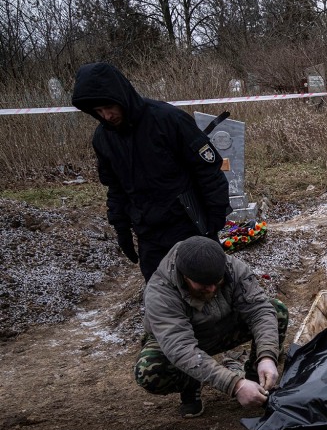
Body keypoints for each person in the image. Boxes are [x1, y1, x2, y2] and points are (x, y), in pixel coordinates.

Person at [71, 62, 230, 281]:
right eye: (98, 111)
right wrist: (122, 229)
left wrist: (216, 217)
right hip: (149, 232)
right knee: (160, 298)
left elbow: (208, 170)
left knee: (205, 289)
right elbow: (116, 188)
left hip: (189, 224)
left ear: (121, 97)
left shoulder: (168, 120)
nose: (106, 116)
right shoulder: (103, 138)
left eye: (109, 107)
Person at [134, 236, 289, 418]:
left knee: (276, 311)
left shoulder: (231, 267)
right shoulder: (160, 293)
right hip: (185, 341)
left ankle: (255, 380)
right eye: (204, 285)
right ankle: (190, 382)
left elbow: (259, 310)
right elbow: (181, 349)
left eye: (217, 282)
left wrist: (267, 357)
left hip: (223, 327)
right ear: (185, 276)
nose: (212, 289)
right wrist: (235, 385)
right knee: (149, 371)